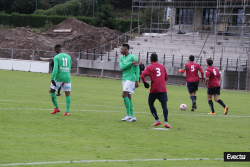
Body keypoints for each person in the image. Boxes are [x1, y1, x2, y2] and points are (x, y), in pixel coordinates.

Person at [140, 53, 171, 128]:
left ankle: (157, 120)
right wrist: (162, 83)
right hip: (163, 89)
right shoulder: (162, 67)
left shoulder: (149, 67)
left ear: (150, 60)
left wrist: (145, 83)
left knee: (151, 104)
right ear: (157, 59)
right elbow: (166, 78)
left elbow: (142, 75)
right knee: (164, 106)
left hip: (154, 89)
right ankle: (166, 122)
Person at [50, 44, 72, 116]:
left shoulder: (56, 57)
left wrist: (52, 78)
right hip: (67, 77)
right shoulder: (68, 56)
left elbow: (55, 68)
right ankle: (67, 112)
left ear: (56, 49)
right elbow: (70, 66)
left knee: (52, 91)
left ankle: (56, 108)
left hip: (59, 77)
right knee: (67, 94)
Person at [119, 44, 140, 122]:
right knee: (129, 96)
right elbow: (122, 67)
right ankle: (132, 116)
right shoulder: (121, 58)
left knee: (124, 95)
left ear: (125, 48)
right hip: (124, 78)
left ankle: (128, 115)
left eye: (121, 49)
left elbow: (137, 69)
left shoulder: (133, 57)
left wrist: (137, 80)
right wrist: (131, 63)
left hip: (131, 78)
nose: (120, 50)